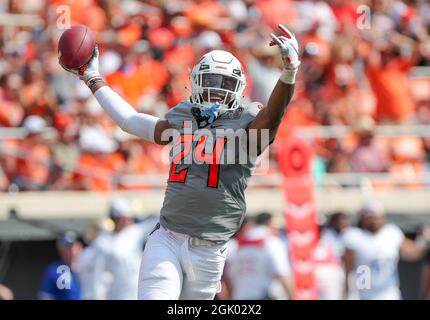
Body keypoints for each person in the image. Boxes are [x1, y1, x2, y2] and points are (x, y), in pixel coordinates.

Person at [61, 23, 300, 300]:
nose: (216, 91)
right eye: (210, 81)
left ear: (238, 88)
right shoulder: (182, 115)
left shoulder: (247, 120)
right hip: (168, 237)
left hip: (210, 246)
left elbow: (272, 116)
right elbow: (130, 121)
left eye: (224, 84)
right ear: (196, 81)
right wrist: (93, 78)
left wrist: (288, 74)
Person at [343, 200, 430, 300]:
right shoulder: (353, 236)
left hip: (388, 292)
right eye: (371, 217)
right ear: (363, 217)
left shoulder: (391, 233)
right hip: (364, 291)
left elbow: (412, 253)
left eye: (378, 217)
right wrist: (348, 292)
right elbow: (347, 269)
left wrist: (423, 241)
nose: (375, 220)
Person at [77, 198, 157, 300]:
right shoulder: (102, 242)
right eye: (123, 218)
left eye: (129, 218)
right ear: (115, 219)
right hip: (118, 295)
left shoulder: (133, 233)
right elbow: (97, 275)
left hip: (138, 292)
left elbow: (154, 223)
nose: (127, 221)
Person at [224, 217, 294, 300]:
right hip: (265, 296)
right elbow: (282, 274)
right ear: (268, 224)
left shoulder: (233, 245)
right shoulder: (273, 243)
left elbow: (227, 277)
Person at [38, 232, 82, 300]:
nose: (72, 251)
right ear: (60, 249)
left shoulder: (87, 267)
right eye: (67, 247)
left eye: (74, 246)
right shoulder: (54, 270)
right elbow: (45, 295)